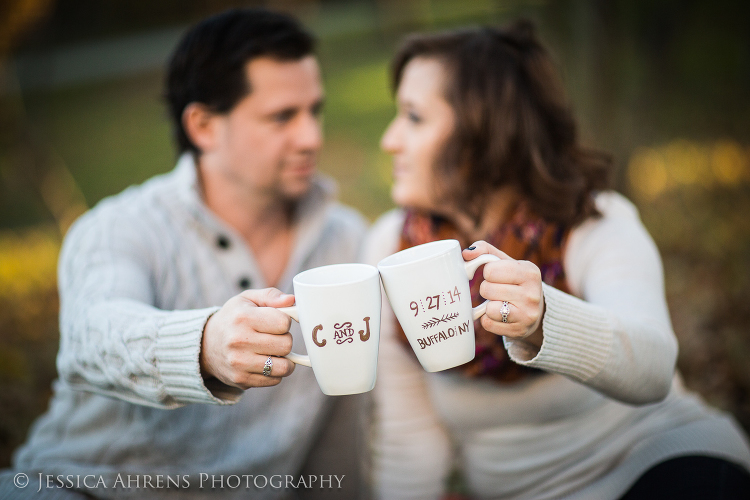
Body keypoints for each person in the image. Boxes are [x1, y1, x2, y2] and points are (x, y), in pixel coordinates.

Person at [363, 20, 750, 500]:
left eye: (414, 117)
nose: (390, 140)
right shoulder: (393, 250)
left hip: (657, 462)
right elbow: (410, 444)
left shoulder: (591, 222)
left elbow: (653, 369)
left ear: (486, 131)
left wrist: (544, 319)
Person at [2, 8, 368, 499]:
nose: (312, 137)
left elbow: (339, 442)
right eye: (283, 116)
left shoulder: (347, 241)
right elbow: (91, 337)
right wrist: (205, 345)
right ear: (202, 127)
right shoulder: (117, 228)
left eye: (314, 111)